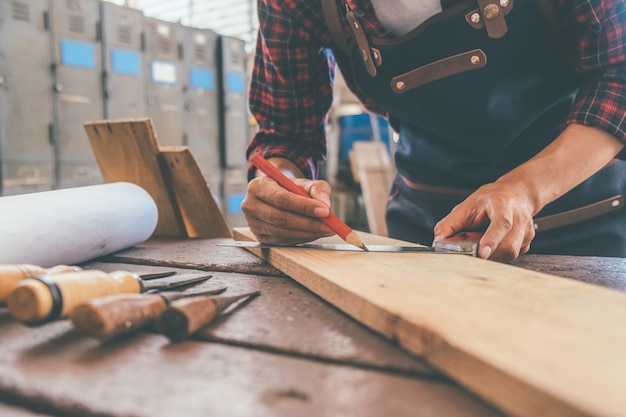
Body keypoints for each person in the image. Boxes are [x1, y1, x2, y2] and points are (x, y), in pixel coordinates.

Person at [241, 0, 626, 261]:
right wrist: (280, 188)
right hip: (426, 238)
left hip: (586, 226)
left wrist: (526, 188)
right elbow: (286, 130)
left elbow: (619, 74)